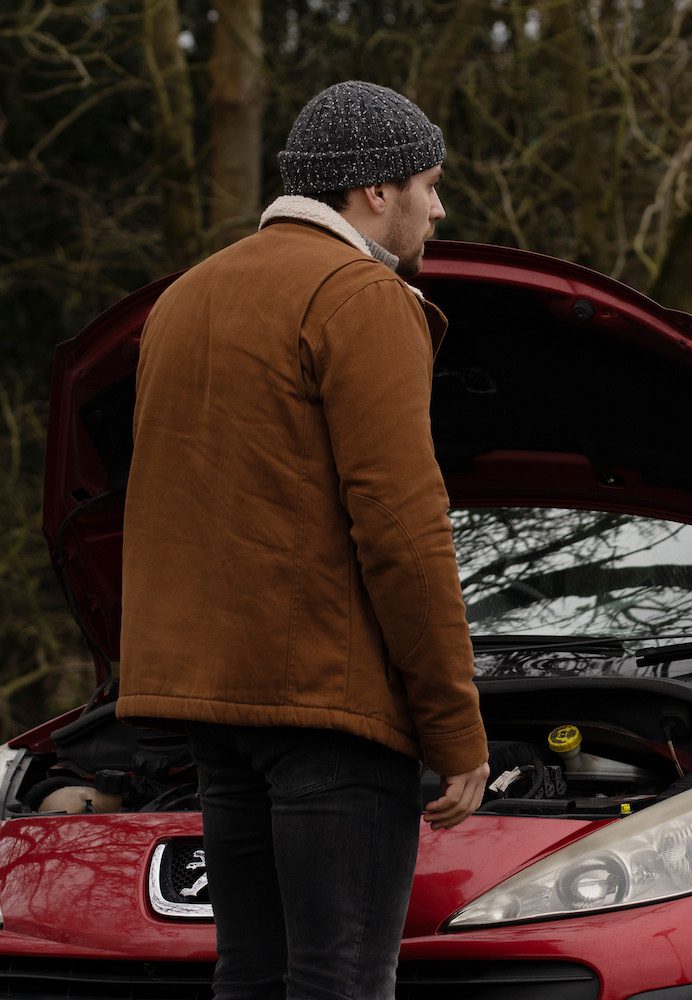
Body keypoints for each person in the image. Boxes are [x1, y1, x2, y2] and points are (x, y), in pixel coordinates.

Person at [119, 81, 490, 1000]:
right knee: (342, 981)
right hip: (332, 709)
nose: (438, 210)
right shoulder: (361, 296)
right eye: (430, 185)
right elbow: (402, 529)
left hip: (219, 711)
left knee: (252, 976)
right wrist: (455, 729)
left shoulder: (183, 298)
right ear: (375, 190)